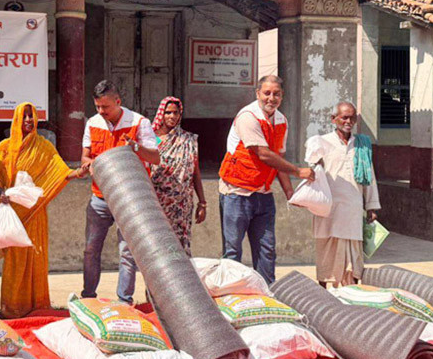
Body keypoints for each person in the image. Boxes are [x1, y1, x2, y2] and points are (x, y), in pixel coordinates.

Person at [0, 102, 88, 318]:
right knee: (15, 261)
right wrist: (0, 191)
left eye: (32, 116)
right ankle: (12, 308)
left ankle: (37, 306)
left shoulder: (43, 146)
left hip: (35, 213)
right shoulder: (5, 147)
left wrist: (77, 173)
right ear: (17, 120)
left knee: (36, 258)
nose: (29, 120)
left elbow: (59, 171)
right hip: (13, 214)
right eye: (25, 116)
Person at [218, 75, 314, 285]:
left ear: (282, 96)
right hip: (237, 192)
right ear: (257, 94)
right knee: (233, 251)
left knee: (266, 249)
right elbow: (263, 153)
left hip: (263, 193)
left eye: (276, 94)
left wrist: (290, 192)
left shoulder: (281, 120)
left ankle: (267, 294)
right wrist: (298, 172)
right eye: (267, 93)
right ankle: (230, 295)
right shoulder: (247, 116)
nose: (271, 98)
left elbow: (278, 157)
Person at [81, 80, 161, 304]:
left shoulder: (140, 123)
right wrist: (88, 165)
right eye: (97, 107)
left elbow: (155, 157)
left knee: (127, 253)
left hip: (130, 200)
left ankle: (124, 301)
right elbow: (85, 157)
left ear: (118, 102)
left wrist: (135, 146)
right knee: (90, 249)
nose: (101, 111)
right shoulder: (93, 123)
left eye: (105, 107)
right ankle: (88, 297)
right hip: (100, 197)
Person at [308, 102, 381, 287]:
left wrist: (371, 205)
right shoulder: (321, 142)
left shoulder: (362, 145)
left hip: (353, 208)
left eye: (352, 118)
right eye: (344, 117)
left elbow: (369, 176)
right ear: (334, 119)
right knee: (327, 252)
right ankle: (325, 295)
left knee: (353, 257)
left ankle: (351, 293)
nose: (349, 121)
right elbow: (311, 169)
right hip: (328, 208)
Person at [150, 96, 206, 255]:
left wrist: (202, 202)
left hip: (182, 204)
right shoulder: (151, 138)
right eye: (168, 112)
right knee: (158, 242)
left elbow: (195, 171)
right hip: (158, 201)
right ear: (161, 114)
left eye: (175, 113)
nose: (172, 116)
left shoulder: (188, 139)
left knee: (180, 245)